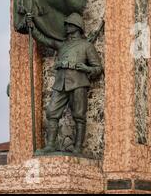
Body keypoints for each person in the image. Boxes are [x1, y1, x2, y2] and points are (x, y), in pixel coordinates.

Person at [26, 13, 103, 155]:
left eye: (69, 24)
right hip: (61, 83)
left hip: (78, 83)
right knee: (51, 113)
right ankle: (50, 145)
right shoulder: (62, 44)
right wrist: (32, 26)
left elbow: (98, 68)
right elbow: (43, 39)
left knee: (79, 116)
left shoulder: (86, 46)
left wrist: (86, 68)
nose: (66, 27)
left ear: (77, 26)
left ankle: (78, 147)